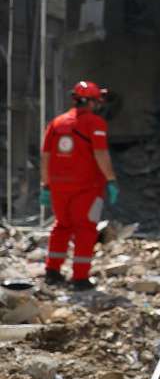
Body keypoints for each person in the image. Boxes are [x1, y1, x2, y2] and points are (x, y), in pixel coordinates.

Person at [41, 81, 119, 290]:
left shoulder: (56, 124)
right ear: (92, 103)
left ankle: (52, 271)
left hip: (59, 187)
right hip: (87, 188)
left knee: (61, 226)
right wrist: (111, 180)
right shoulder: (95, 124)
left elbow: (46, 155)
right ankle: (80, 278)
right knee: (85, 229)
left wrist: (45, 184)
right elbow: (101, 154)